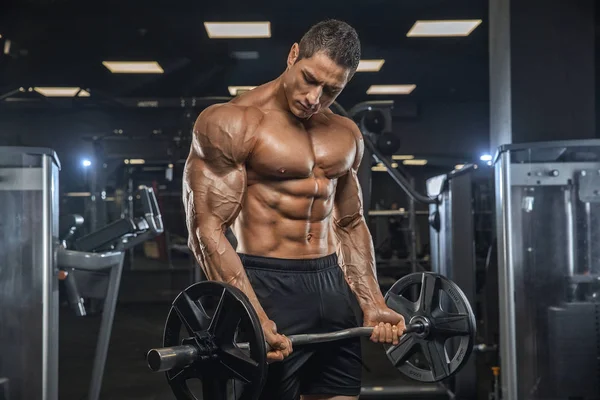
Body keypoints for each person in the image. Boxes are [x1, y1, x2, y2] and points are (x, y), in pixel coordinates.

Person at [183, 19, 406, 400]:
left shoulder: (346, 133)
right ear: (292, 56)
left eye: (331, 90)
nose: (314, 97)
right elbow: (206, 231)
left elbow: (350, 223)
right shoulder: (231, 122)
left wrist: (374, 303)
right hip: (266, 283)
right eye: (309, 79)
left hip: (329, 284)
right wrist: (252, 313)